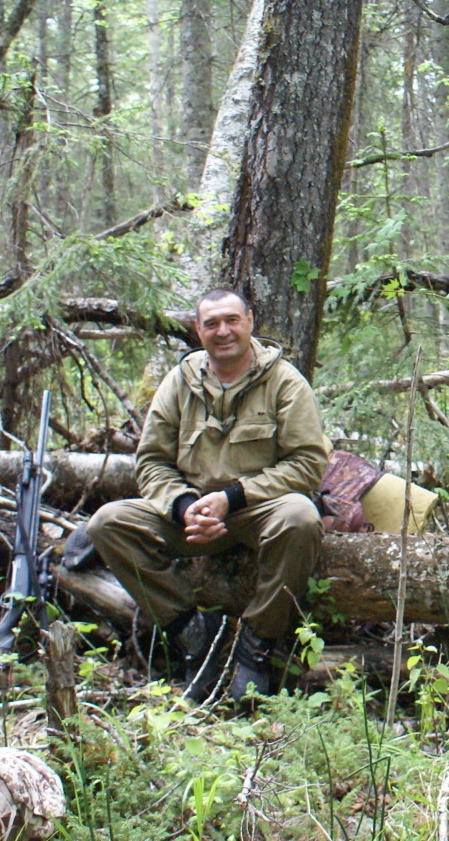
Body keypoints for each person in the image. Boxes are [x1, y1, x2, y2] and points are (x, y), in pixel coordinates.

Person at [88, 288, 330, 704]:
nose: (223, 331)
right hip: (193, 517)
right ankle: (194, 636)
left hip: (257, 511)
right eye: (212, 323)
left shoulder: (284, 381)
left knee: (301, 517)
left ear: (249, 321)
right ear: (198, 330)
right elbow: (152, 461)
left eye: (232, 320)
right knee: (107, 523)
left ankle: (256, 647)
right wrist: (184, 507)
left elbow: (307, 463)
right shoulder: (179, 382)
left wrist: (232, 498)